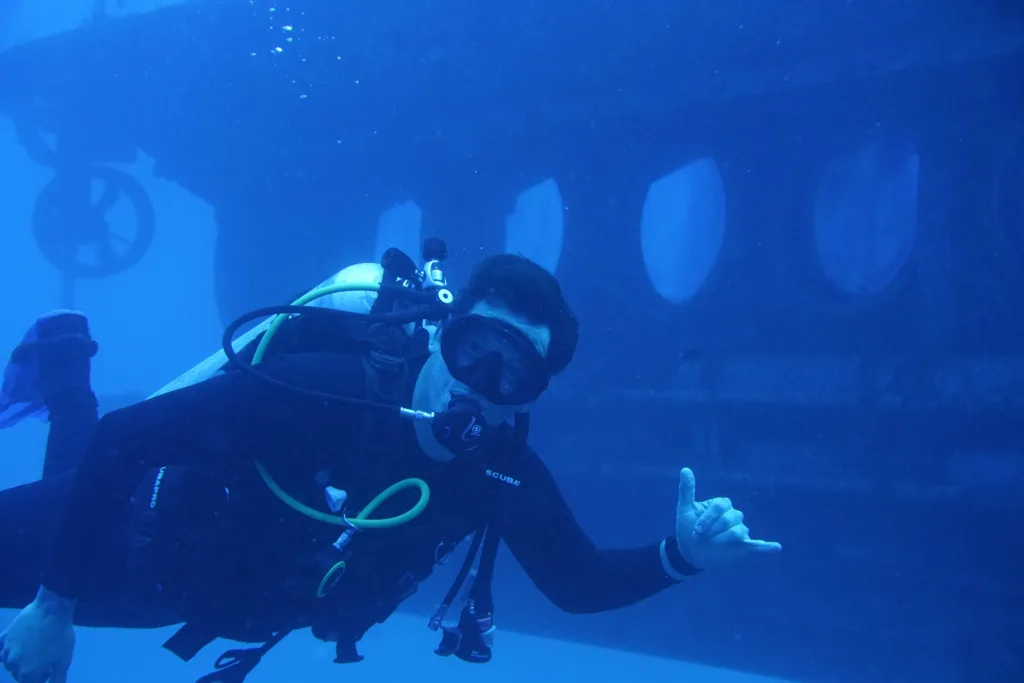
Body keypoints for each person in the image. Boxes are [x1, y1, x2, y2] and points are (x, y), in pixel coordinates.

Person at [0, 253, 782, 683]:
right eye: (472, 347)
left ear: (529, 397)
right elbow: (124, 442)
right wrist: (53, 607)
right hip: (128, 522)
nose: (480, 381)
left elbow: (578, 585)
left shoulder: (499, 473)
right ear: (444, 336)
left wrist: (681, 557)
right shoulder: (327, 392)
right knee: (71, 470)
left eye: (512, 372)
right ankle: (67, 364)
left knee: (71, 455)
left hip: (181, 601)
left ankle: (67, 362)